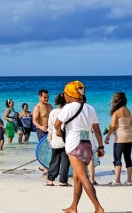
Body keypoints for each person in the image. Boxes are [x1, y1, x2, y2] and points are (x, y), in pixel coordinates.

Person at [55, 81, 105, 213]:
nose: (64, 96)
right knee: (77, 178)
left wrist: (58, 131)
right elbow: (97, 130)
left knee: (83, 177)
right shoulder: (90, 108)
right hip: (87, 144)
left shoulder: (68, 108)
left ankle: (98, 207)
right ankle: (73, 207)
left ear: (70, 94)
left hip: (74, 145)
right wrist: (101, 146)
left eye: (65, 93)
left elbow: (57, 124)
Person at [104, 91, 132, 186]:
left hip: (120, 138)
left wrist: (107, 137)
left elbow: (112, 126)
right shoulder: (128, 111)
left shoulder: (116, 112)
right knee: (128, 158)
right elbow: (130, 124)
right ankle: (129, 180)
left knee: (117, 158)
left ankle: (117, 180)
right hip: (129, 136)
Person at [46, 93, 71, 187]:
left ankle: (50, 180)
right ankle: (63, 181)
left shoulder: (53, 112)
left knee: (54, 161)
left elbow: (50, 127)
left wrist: (50, 140)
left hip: (55, 141)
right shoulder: (68, 112)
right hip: (66, 140)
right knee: (65, 162)